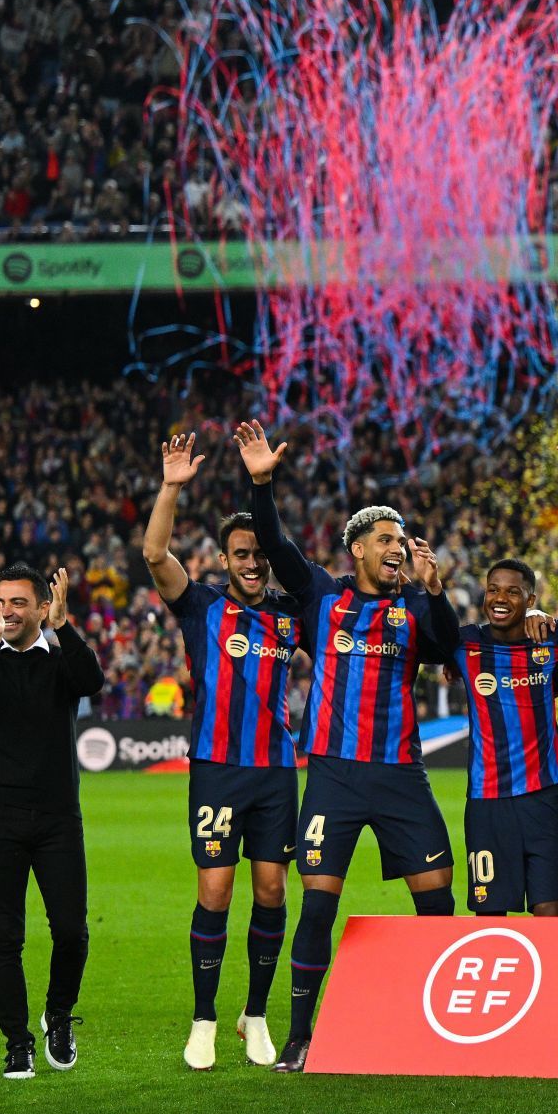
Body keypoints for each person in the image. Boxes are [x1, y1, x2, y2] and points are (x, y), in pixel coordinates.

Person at [235, 420, 461, 1073]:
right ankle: (303, 1035)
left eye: (401, 538)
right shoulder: (321, 596)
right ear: (357, 548)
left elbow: (447, 647)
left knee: (437, 896)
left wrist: (436, 589)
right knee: (320, 900)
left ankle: (441, 1027)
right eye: (385, 539)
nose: (397, 547)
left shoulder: (415, 607)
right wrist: (261, 483)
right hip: (333, 775)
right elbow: (274, 542)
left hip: (399, 774)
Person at [143, 433, 301, 1070]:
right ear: (225, 558)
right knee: (215, 891)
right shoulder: (202, 605)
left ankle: (254, 1015)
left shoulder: (293, 615)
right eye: (242, 553)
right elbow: (155, 553)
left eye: (260, 552)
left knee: (270, 889)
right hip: (216, 770)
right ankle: (204, 1018)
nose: (253, 562)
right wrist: (172, 486)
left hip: (276, 772)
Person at [0, 564, 101, 1079]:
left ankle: (57, 1015)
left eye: (20, 602)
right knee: (5, 937)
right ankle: (17, 1042)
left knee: (71, 931)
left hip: (59, 817)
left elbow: (92, 680)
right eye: (1, 602)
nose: (8, 611)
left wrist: (64, 627)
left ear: (43, 607)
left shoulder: (61, 663)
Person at [439, 560, 558, 918]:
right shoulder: (463, 643)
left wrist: (543, 615)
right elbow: (426, 636)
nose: (500, 598)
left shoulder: (554, 638)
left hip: (544, 799)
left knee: (550, 912)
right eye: (494, 589)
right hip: (488, 804)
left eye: (512, 591)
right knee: (490, 915)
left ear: (530, 598)